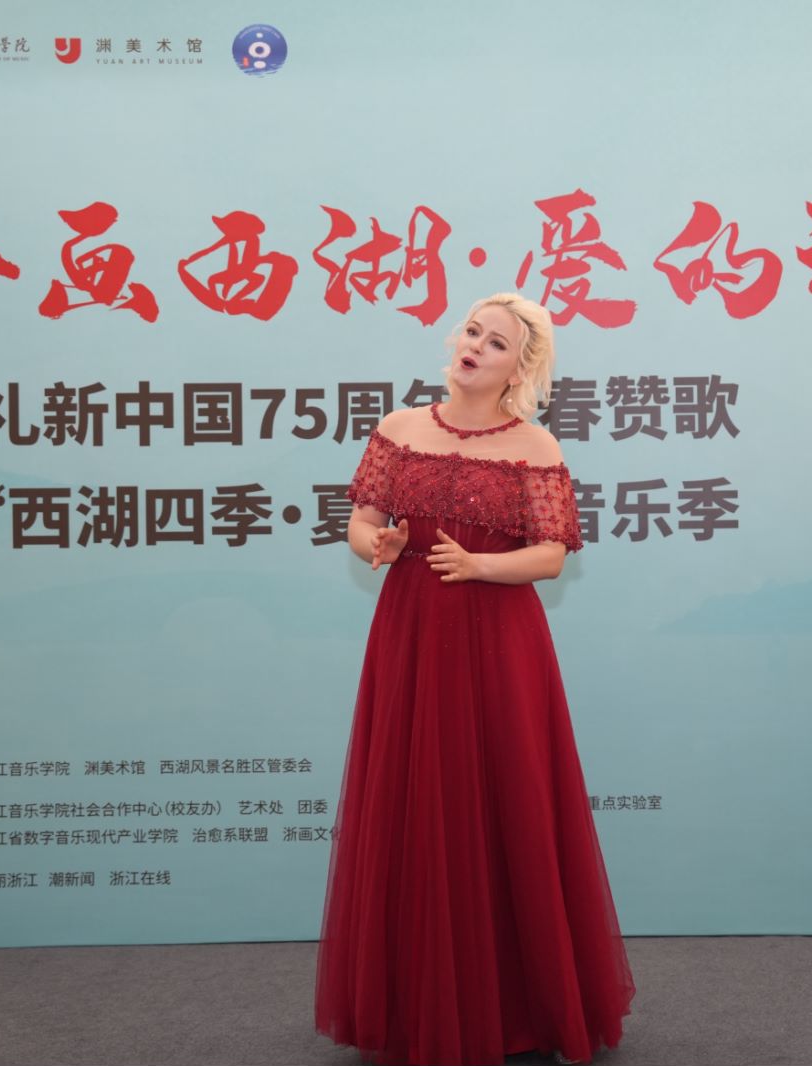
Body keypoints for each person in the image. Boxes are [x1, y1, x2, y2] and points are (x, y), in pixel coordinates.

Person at [315, 293, 636, 1066]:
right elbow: (360, 521)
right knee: (415, 800)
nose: (474, 347)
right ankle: (412, 1004)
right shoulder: (399, 428)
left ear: (518, 370)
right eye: (472, 332)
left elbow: (551, 556)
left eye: (495, 344)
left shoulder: (536, 445)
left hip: (500, 641)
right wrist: (376, 547)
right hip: (412, 634)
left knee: (508, 799)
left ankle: (523, 1006)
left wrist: (479, 566)